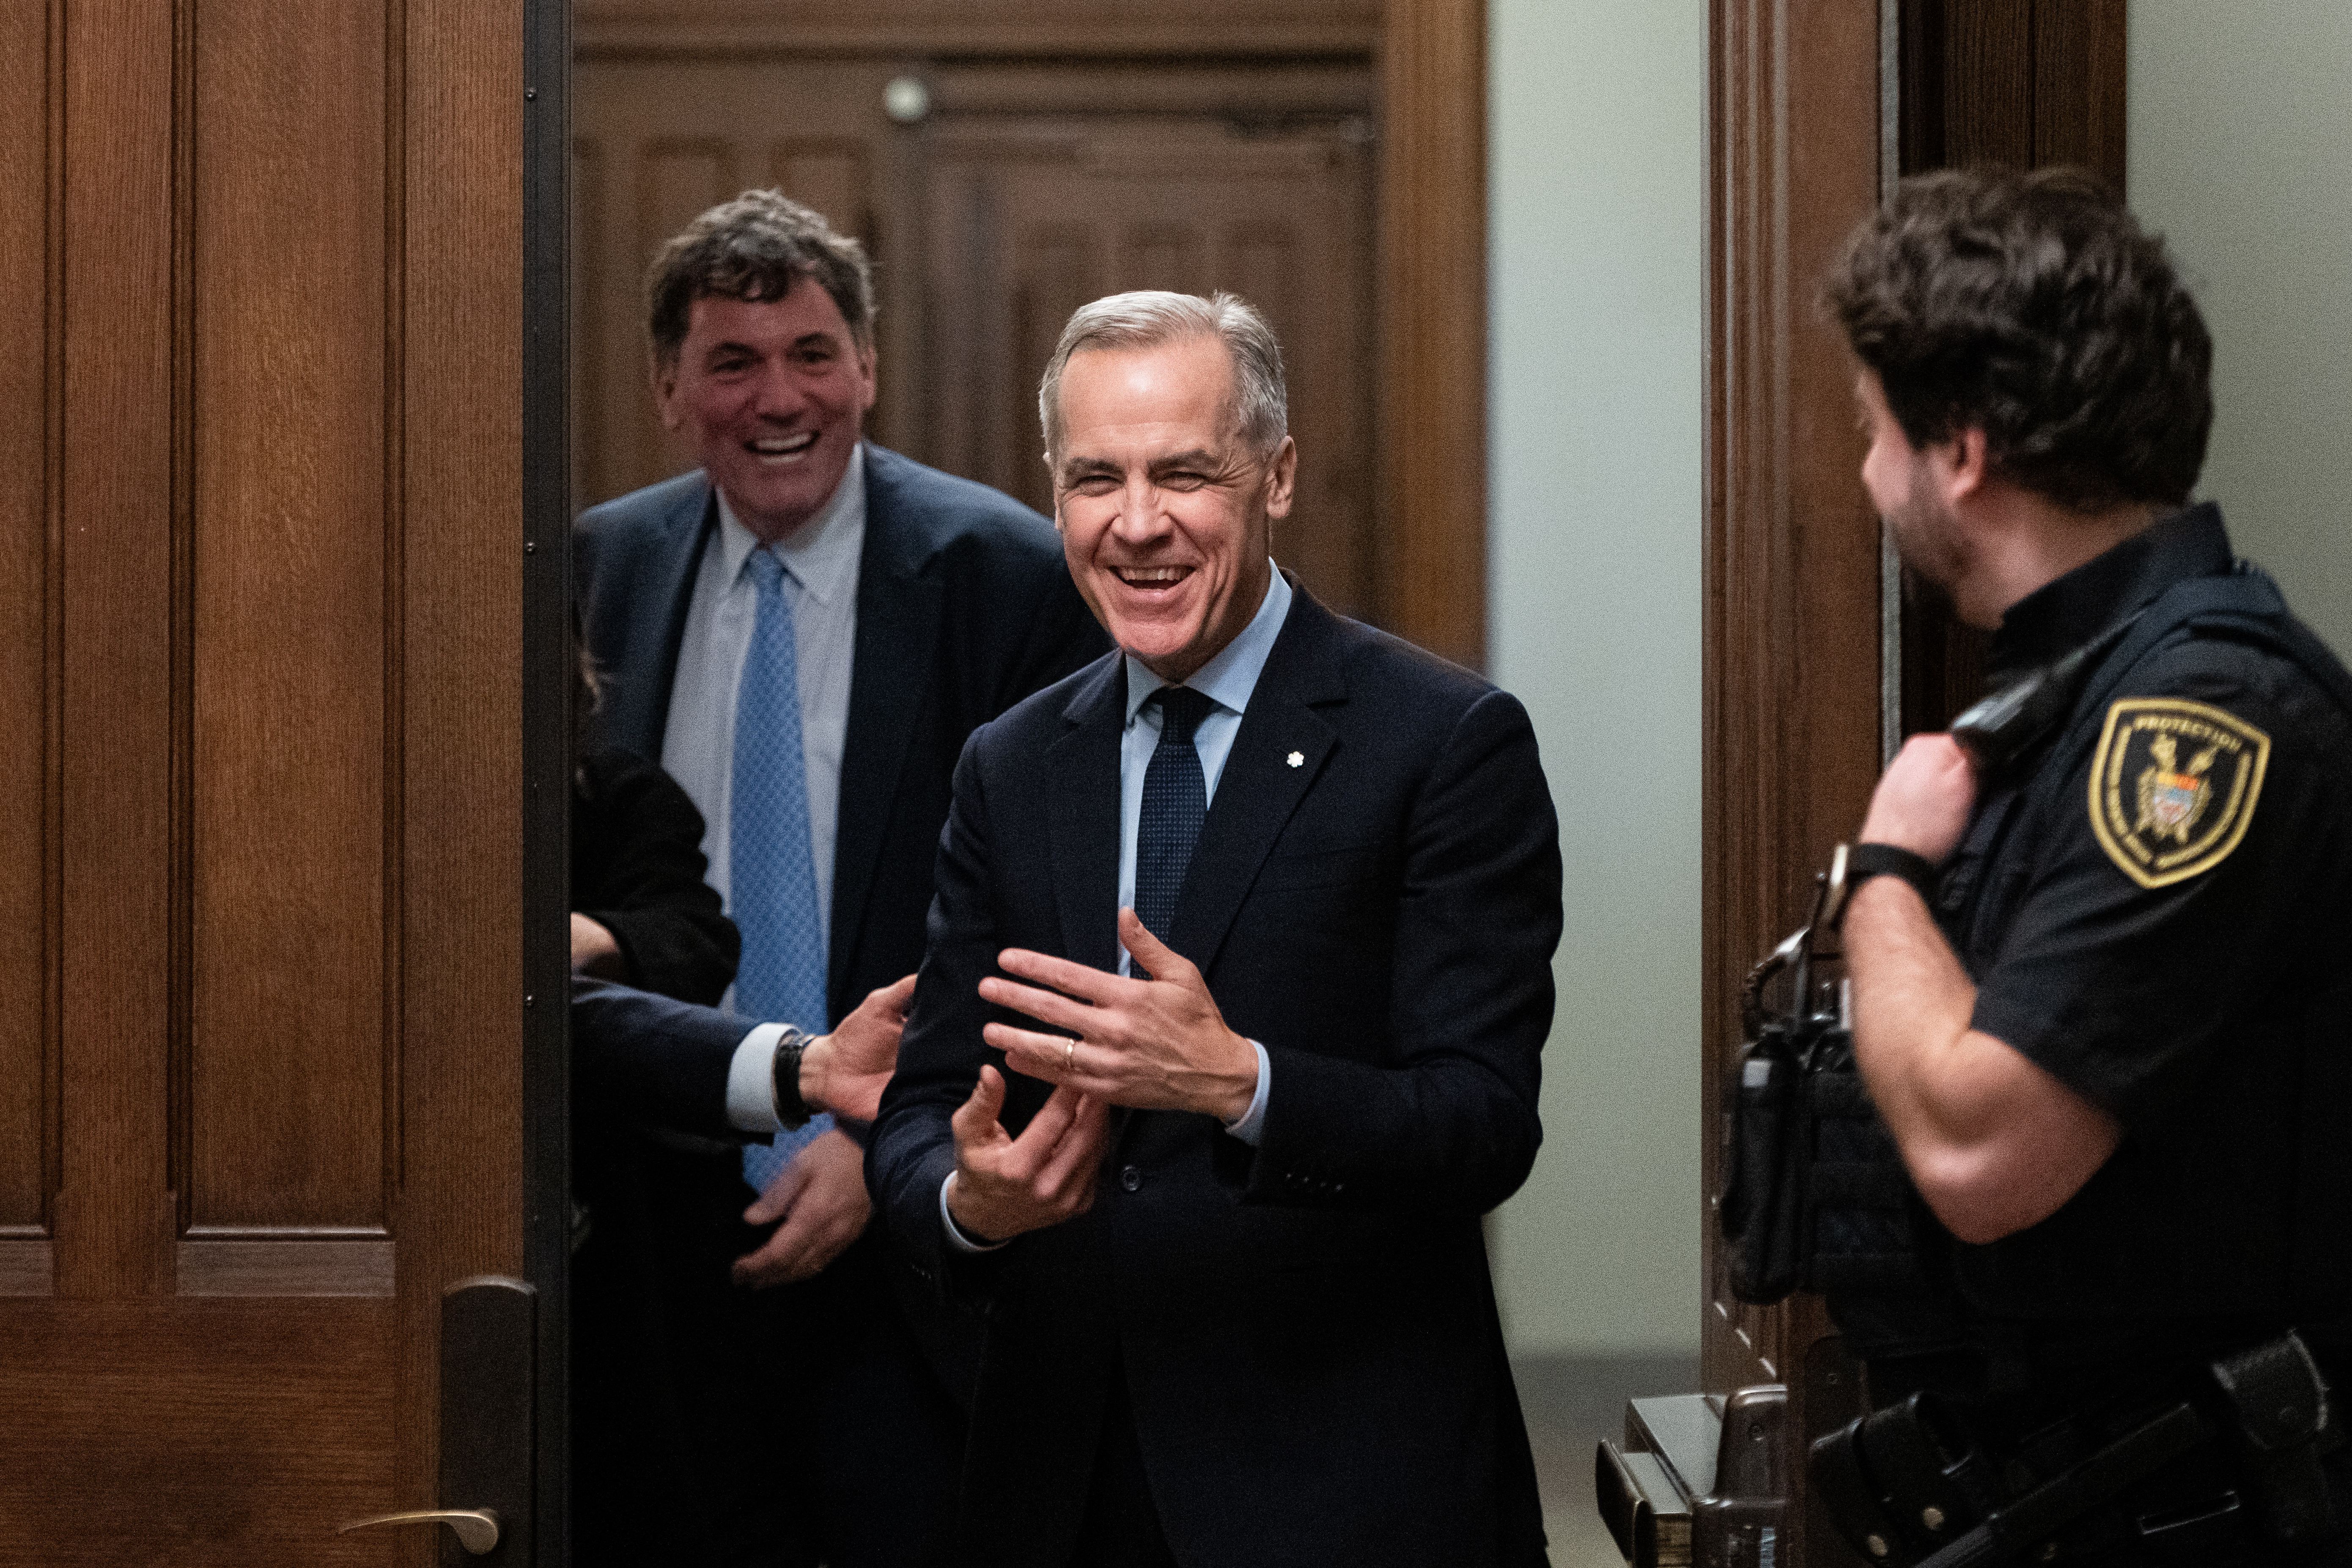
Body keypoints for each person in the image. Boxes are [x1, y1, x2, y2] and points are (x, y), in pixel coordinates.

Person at [868, 290, 1564, 1568]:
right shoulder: (1011, 766)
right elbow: (914, 1118)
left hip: (1348, 1492)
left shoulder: (1441, 743)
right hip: (1060, 1493)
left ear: (1277, 475)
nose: (1137, 525)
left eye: (1184, 472)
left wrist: (1239, 1082)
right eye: (1095, 481)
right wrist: (973, 1199)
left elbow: (1481, 1125)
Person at [1816, 166, 2352, 1565]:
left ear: (1965, 451)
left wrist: (1881, 874)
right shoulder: (2071, 701)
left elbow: (1982, 1147)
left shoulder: (2200, 724)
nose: (1865, 475)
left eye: (1873, 431)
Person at [572, 189, 1106, 1566]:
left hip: (913, 1211)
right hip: (651, 1216)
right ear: (669, 389)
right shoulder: (592, 569)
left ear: (866, 368)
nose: (778, 397)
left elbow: (1050, 911)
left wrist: (883, 1141)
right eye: (732, 362)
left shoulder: (1008, 577)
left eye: (812, 353)